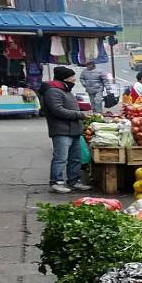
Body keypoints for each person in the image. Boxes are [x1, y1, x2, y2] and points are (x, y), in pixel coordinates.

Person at [40, 66, 92, 194]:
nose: (74, 80)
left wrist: (83, 110)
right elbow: (58, 110)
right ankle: (56, 182)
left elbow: (70, 106)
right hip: (61, 130)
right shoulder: (53, 91)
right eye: (72, 77)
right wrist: (79, 115)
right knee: (61, 158)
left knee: (75, 158)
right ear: (64, 78)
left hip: (74, 129)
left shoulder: (66, 90)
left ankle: (74, 181)